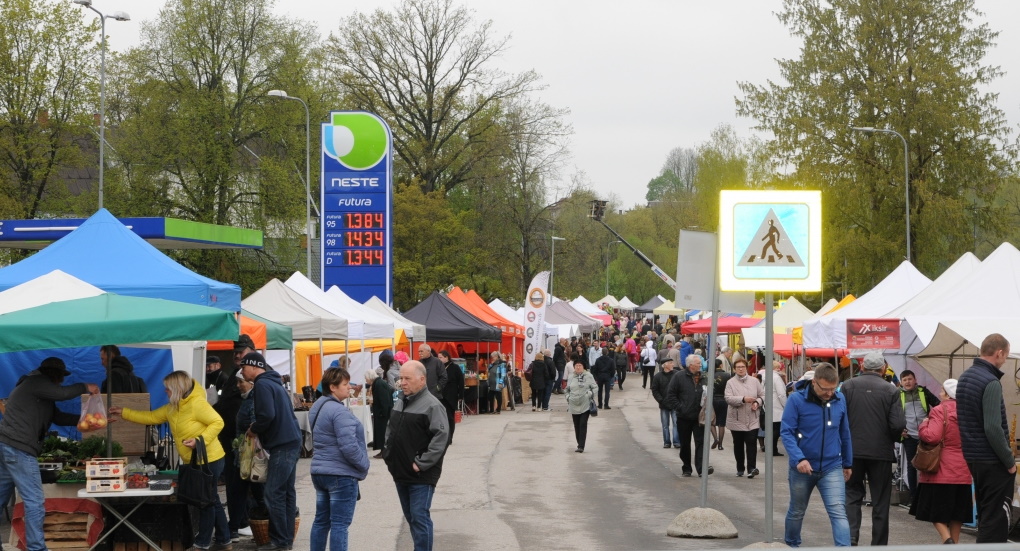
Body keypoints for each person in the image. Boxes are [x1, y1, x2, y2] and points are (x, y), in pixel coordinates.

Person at [109, 371, 231, 551]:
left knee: (205, 502)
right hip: (194, 460)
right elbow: (151, 417)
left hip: (210, 459)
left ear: (177, 388)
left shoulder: (196, 404)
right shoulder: (173, 408)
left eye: (168, 388)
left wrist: (199, 441)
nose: (165, 391)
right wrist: (123, 412)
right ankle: (224, 540)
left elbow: (218, 422)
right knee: (211, 499)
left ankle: (202, 543)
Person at [0, 358, 99, 551]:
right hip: (19, 447)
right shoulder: (35, 382)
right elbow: (62, 394)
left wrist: (85, 421)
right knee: (35, 501)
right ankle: (37, 548)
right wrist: (85, 386)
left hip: (6, 445)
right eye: (61, 377)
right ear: (55, 375)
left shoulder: (40, 392)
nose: (61, 382)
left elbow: (58, 417)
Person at [780, 363, 852, 548]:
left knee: (838, 512)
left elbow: (844, 432)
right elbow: (786, 432)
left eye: (833, 388)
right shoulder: (796, 400)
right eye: (825, 389)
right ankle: (791, 545)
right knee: (797, 511)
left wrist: (848, 462)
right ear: (814, 382)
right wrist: (799, 458)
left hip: (832, 466)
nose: (830, 393)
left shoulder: (840, 399)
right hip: (802, 467)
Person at [382, 360, 450, 551]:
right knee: (411, 517)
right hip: (400, 470)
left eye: (407, 378)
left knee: (419, 516)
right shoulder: (401, 401)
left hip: (421, 473)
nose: (402, 382)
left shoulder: (433, 406)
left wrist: (421, 463)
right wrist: (389, 454)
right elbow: (390, 429)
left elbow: (441, 437)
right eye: (401, 378)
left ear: (422, 379)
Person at [840, 351, 905, 546]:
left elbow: (840, 417)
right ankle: (878, 543)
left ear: (862, 367)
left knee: (852, 495)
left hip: (852, 451)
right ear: (883, 369)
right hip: (881, 452)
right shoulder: (891, 390)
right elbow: (897, 424)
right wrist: (893, 439)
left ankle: (851, 536)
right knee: (881, 500)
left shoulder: (848, 386)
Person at [956, 333, 1015, 543]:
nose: (1005, 360)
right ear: (999, 353)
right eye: (1006, 355)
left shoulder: (965, 377)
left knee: (986, 513)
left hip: (973, 456)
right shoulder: (991, 382)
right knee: (996, 518)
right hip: (992, 459)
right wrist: (1009, 462)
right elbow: (992, 427)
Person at [240, 352, 302, 551]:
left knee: (273, 493)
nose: (242, 372)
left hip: (282, 445)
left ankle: (279, 541)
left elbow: (267, 415)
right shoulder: (274, 382)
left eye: (243, 367)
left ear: (254, 366)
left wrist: (254, 428)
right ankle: (286, 540)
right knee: (286, 492)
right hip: (291, 441)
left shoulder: (262, 385)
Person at [309, 367, 370, 551]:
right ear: (333, 387)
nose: (349, 387)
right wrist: (364, 464)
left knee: (321, 521)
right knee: (339, 524)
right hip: (340, 474)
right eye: (345, 384)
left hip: (320, 471)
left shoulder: (318, 406)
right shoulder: (339, 411)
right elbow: (349, 446)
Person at [910, 379, 972, 544]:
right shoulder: (969, 412)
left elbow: (932, 437)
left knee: (935, 511)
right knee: (958, 514)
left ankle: (947, 540)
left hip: (941, 470)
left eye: (942, 391)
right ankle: (955, 544)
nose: (939, 393)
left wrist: (923, 426)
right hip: (963, 470)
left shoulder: (939, 410)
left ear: (947, 394)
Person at [898, 368, 940, 508]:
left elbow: (939, 406)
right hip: (909, 436)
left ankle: (927, 496)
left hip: (926, 435)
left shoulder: (923, 391)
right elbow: (893, 414)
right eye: (904, 380)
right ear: (901, 382)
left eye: (910, 379)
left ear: (915, 380)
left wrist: (931, 422)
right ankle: (913, 497)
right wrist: (899, 429)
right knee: (912, 466)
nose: (907, 382)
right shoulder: (898, 395)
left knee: (928, 465)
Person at [664, 354, 712, 477]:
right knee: (685, 444)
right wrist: (680, 408)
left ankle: (701, 469)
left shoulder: (704, 377)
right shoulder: (679, 377)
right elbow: (671, 395)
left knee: (701, 443)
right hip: (684, 417)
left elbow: (711, 391)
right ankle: (686, 468)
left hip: (700, 417)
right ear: (691, 365)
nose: (700, 365)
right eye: (698, 363)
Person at [725, 358, 765, 478]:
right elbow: (728, 398)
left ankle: (751, 468)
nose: (741, 369)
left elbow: (762, 395)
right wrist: (743, 399)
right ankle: (740, 468)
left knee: (751, 443)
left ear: (746, 368)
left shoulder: (754, 381)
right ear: (734, 369)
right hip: (736, 419)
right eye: (738, 367)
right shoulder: (730, 382)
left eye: (743, 367)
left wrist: (757, 402)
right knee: (738, 445)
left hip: (752, 418)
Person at [565, 360, 598, 453]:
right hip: (573, 404)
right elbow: (567, 389)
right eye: (576, 365)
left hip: (585, 404)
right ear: (574, 367)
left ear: (583, 367)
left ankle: (581, 446)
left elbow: (595, 387)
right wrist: (568, 397)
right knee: (576, 425)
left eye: (580, 365)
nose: (578, 367)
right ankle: (579, 443)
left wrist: (589, 394)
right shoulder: (571, 376)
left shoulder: (588, 376)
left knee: (583, 424)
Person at [370, 355, 396, 459]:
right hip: (390, 403)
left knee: (384, 429)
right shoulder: (387, 371)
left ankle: (384, 450)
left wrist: (387, 390)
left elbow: (392, 386)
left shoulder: (387, 373)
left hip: (386, 406)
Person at [651, 357, 680, 448]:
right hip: (664, 404)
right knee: (665, 425)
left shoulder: (677, 374)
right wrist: (660, 400)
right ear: (665, 365)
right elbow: (655, 390)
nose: (673, 364)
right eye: (670, 363)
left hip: (675, 404)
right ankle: (667, 442)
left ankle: (676, 441)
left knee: (676, 424)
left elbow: (681, 388)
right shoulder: (658, 376)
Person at [438, 350, 464, 444]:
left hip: (451, 395)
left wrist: (461, 395)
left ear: (446, 357)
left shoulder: (455, 367)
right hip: (440, 395)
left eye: (440, 357)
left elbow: (461, 381)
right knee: (441, 417)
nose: (439, 359)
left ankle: (449, 437)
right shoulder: (439, 368)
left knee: (449, 417)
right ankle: (443, 436)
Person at [768, 360, 788, 456]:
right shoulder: (776, 378)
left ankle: (771, 448)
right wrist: (786, 405)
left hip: (770, 405)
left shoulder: (766, 376)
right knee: (777, 429)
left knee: (772, 429)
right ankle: (773, 449)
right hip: (777, 406)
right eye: (778, 367)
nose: (779, 369)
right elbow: (781, 394)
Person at [711, 358, 731, 451]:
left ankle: (715, 438)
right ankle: (720, 445)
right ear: (721, 365)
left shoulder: (710, 375)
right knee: (721, 423)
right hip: (723, 399)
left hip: (713, 400)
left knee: (711, 421)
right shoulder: (727, 375)